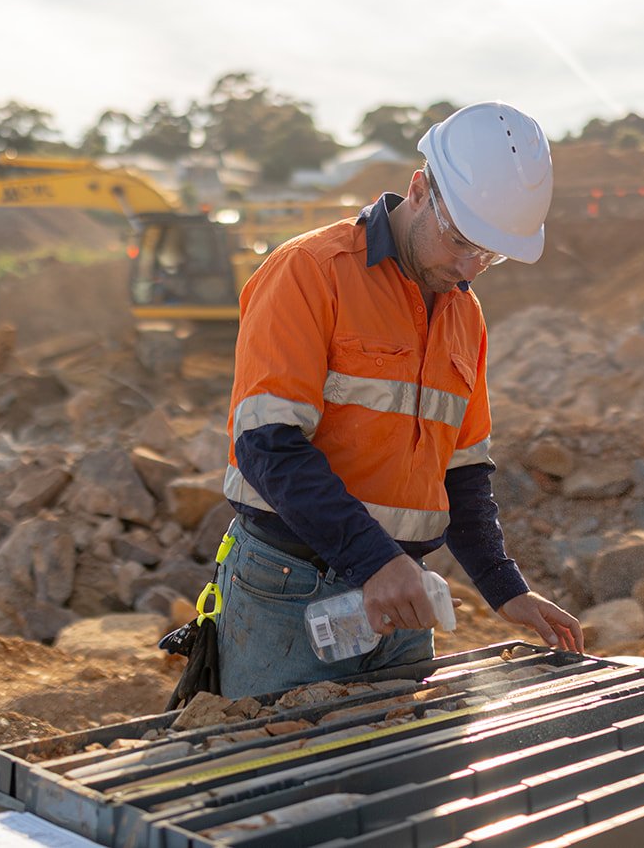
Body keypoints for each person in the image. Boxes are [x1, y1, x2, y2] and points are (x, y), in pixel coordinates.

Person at [213, 101, 584, 699]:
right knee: (279, 773)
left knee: (395, 775)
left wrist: (503, 585)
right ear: (419, 188)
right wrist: (374, 561)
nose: (469, 266)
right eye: (461, 240)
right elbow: (266, 445)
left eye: (489, 254)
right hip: (291, 590)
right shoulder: (310, 271)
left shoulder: (464, 312)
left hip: (405, 594)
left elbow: (461, 470)